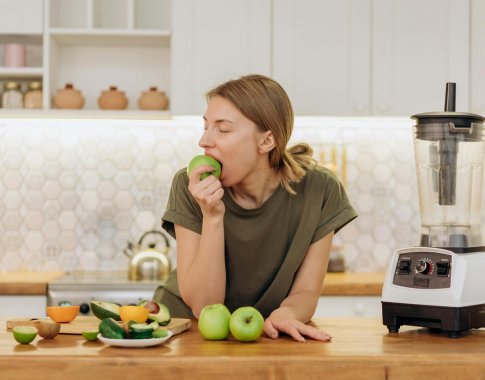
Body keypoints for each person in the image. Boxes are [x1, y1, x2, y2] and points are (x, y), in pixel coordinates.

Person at [154, 74, 357, 342]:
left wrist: (288, 314)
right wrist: (212, 217)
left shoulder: (320, 189)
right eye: (205, 127)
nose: (204, 141)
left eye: (222, 129)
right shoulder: (189, 185)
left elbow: (306, 291)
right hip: (187, 328)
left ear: (266, 141)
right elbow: (204, 306)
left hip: (265, 333)